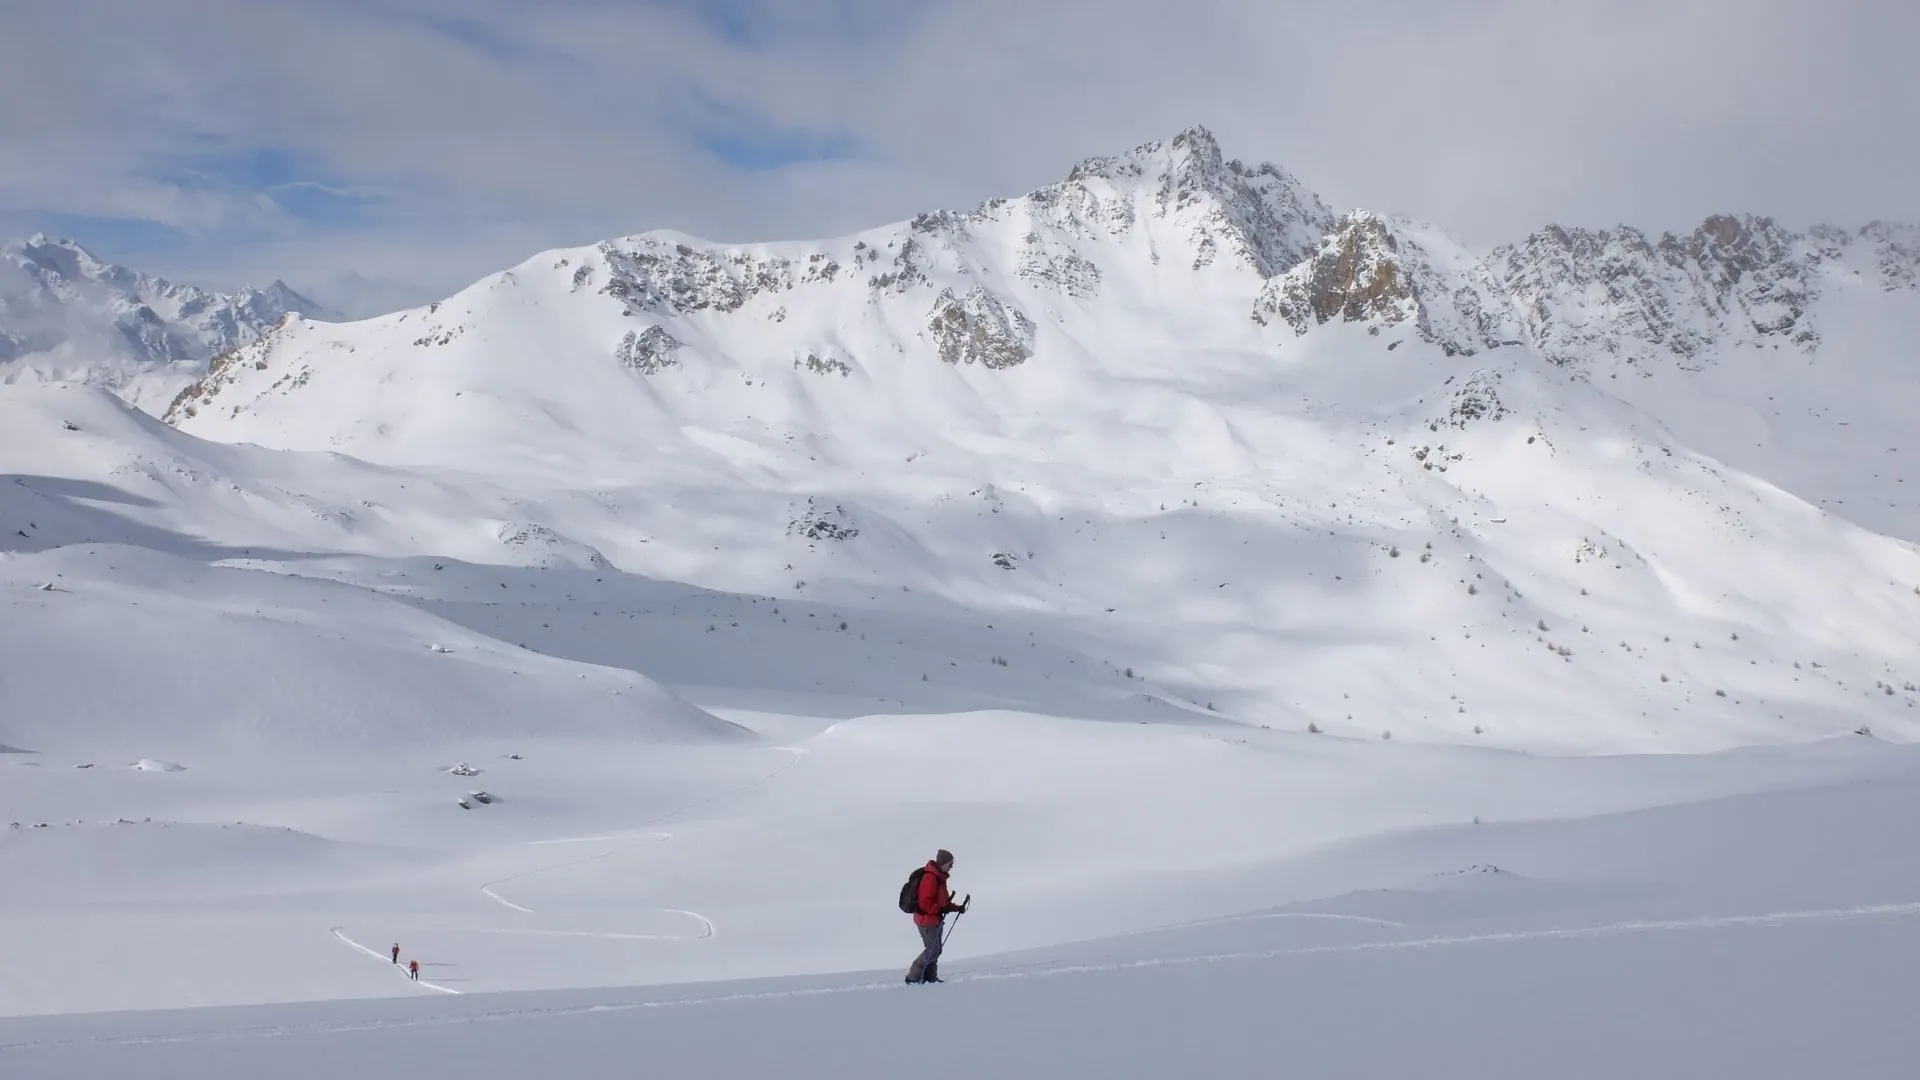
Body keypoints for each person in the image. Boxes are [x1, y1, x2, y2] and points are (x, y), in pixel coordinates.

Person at [906, 849, 967, 984]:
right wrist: (940, 909)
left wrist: (957, 908)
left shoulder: (940, 878)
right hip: (926, 920)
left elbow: (943, 902)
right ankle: (912, 977)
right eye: (950, 864)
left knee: (935, 949)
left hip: (935, 919)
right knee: (933, 949)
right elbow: (925, 903)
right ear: (943, 863)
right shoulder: (930, 878)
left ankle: (930, 977)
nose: (951, 867)